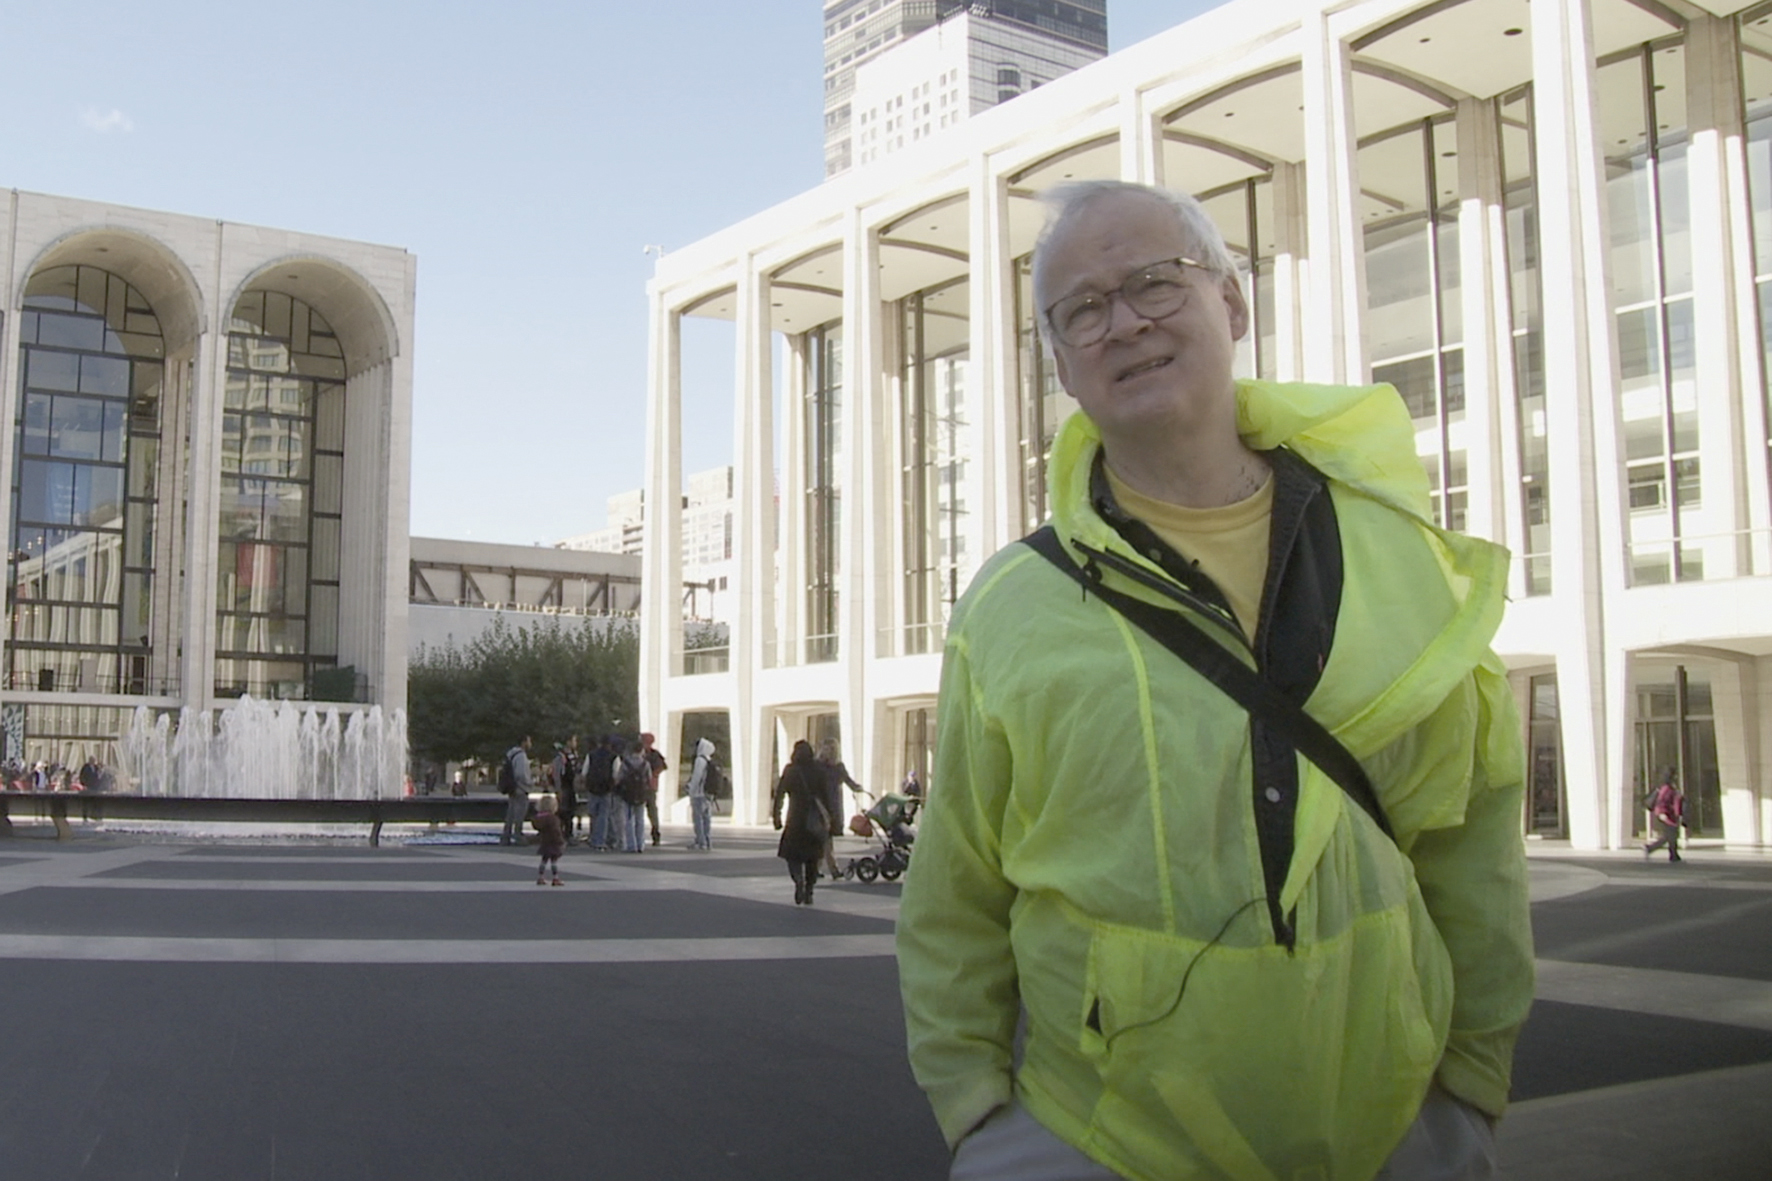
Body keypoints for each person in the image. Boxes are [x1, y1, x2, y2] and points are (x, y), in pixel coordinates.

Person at [896, 180, 1533, 1181]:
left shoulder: (1390, 550)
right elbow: (955, 888)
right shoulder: (1011, 605)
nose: (1124, 323)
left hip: (1394, 1129)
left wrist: (1472, 1086)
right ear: (1061, 365)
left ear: (1230, 303)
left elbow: (1473, 831)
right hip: (1095, 1139)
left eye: (1154, 282)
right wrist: (976, 1113)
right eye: (1082, 309)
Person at [772, 740, 830, 905]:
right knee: (813, 857)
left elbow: (780, 794)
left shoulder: (790, 770)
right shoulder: (819, 770)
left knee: (792, 856)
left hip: (795, 819)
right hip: (814, 820)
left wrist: (777, 816)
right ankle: (809, 890)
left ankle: (798, 880)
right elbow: (826, 796)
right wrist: (830, 819)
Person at [817, 739, 862, 880]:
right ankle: (832, 869)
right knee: (825, 839)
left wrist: (858, 788)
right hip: (820, 805)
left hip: (833, 805)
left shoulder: (838, 767)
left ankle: (819, 868)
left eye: (831, 749)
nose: (828, 752)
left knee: (825, 839)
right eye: (826, 749)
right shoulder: (817, 766)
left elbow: (848, 781)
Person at [582, 735, 617, 850]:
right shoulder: (613, 757)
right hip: (606, 788)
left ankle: (593, 838)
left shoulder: (591, 755)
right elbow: (616, 774)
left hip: (592, 788)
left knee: (593, 814)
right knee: (604, 815)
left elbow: (584, 772)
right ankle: (601, 840)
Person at [1644, 771, 1686, 862]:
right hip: (1666, 815)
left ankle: (1671, 854)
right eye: (1675, 776)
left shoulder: (1672, 788)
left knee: (1671, 835)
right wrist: (1662, 813)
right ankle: (1670, 854)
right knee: (1670, 835)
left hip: (1671, 815)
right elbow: (1662, 801)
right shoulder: (1666, 788)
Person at [499, 736, 533, 847]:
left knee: (511, 812)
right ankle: (518, 836)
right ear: (523, 742)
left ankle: (506, 836)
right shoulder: (521, 756)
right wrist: (528, 783)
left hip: (512, 788)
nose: (530, 744)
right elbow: (521, 774)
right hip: (521, 789)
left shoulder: (512, 754)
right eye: (529, 741)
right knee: (520, 813)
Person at [683, 736, 716, 851]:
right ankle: (707, 840)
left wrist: (691, 790)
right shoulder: (709, 760)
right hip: (708, 794)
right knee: (707, 819)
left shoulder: (700, 760)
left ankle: (700, 841)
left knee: (698, 819)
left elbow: (696, 777)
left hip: (698, 794)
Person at [639, 732, 668, 847]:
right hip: (649, 786)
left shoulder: (644, 754)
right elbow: (662, 766)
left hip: (644, 786)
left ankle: (652, 833)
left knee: (642, 811)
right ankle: (655, 833)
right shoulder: (655, 754)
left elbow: (661, 767)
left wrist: (651, 775)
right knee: (652, 811)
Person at [531, 793, 565, 885]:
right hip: (553, 842)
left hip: (544, 842)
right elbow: (556, 832)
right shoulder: (553, 819)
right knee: (554, 861)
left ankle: (540, 877)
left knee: (544, 860)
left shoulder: (538, 819)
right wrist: (561, 841)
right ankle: (555, 878)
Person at [552, 737, 580, 845]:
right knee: (563, 812)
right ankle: (562, 835)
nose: (575, 743)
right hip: (564, 787)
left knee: (570, 811)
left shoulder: (574, 755)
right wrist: (558, 789)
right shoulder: (561, 757)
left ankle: (568, 833)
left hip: (571, 787)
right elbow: (557, 773)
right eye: (574, 740)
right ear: (568, 742)